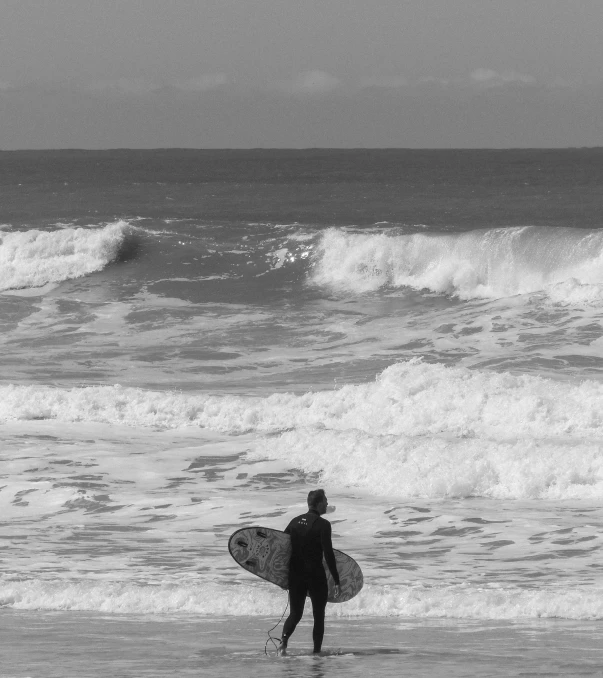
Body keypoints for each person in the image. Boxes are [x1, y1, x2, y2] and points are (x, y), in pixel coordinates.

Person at [277, 488, 340, 656]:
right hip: (315, 575)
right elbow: (328, 554)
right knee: (318, 615)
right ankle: (316, 653)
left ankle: (283, 643)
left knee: (295, 613)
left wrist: (282, 576)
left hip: (295, 574)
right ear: (319, 504)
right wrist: (336, 579)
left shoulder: (295, 521)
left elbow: (283, 549)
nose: (327, 504)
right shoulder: (323, 525)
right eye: (325, 501)